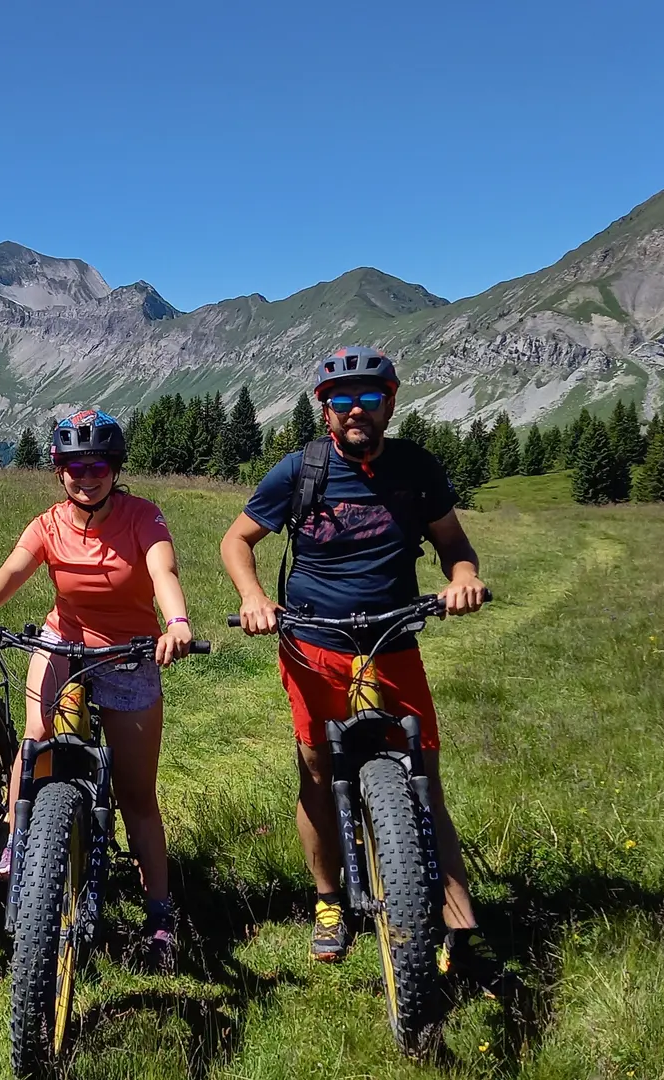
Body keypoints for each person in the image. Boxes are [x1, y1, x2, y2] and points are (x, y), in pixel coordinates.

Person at [218, 345, 491, 976]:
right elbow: (237, 539)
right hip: (314, 643)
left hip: (393, 638)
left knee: (424, 778)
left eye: (371, 398)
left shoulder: (418, 468)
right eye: (342, 400)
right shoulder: (300, 471)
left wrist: (465, 577)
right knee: (316, 771)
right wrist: (254, 597)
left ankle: (459, 923)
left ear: (391, 404)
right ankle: (329, 900)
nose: (356, 410)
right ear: (325, 411)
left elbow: (453, 543)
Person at [0, 409, 195, 970]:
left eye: (97, 466)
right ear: (59, 471)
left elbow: (164, 573)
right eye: (72, 467)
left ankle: (159, 913)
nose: (85, 477)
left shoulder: (143, 517)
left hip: (129, 653)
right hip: (63, 640)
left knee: (137, 794)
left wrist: (177, 622)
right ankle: (20, 842)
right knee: (35, 741)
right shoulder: (48, 523)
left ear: (114, 468)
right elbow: (14, 570)